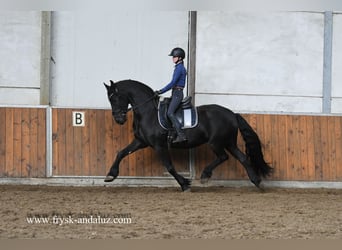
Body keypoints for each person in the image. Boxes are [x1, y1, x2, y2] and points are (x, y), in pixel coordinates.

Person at [155, 47, 187, 143]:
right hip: (175, 93)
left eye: (174, 56)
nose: (172, 58)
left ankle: (181, 135)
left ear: (180, 58)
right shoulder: (178, 67)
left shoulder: (180, 68)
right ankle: (171, 132)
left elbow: (173, 83)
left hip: (177, 93)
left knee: (170, 113)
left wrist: (161, 91)